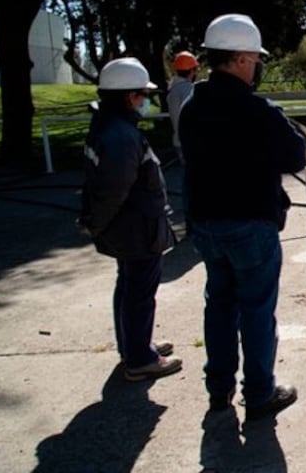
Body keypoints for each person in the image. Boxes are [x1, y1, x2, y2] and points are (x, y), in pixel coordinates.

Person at [179, 13, 306, 421]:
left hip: (205, 224)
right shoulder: (257, 110)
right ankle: (259, 393)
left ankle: (219, 391)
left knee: (218, 305)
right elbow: (295, 155)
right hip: (250, 223)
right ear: (236, 60)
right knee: (255, 309)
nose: (257, 68)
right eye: (253, 60)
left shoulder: (191, 106)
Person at [80, 57, 183, 382]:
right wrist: (95, 222)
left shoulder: (108, 127)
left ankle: (134, 345)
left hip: (128, 227)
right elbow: (114, 189)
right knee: (138, 291)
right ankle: (140, 358)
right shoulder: (122, 136)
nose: (145, 101)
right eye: (142, 94)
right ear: (128, 96)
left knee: (128, 286)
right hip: (136, 228)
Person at [166, 50, 198, 163]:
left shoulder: (172, 90)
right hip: (191, 144)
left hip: (178, 141)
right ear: (192, 71)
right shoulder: (190, 89)